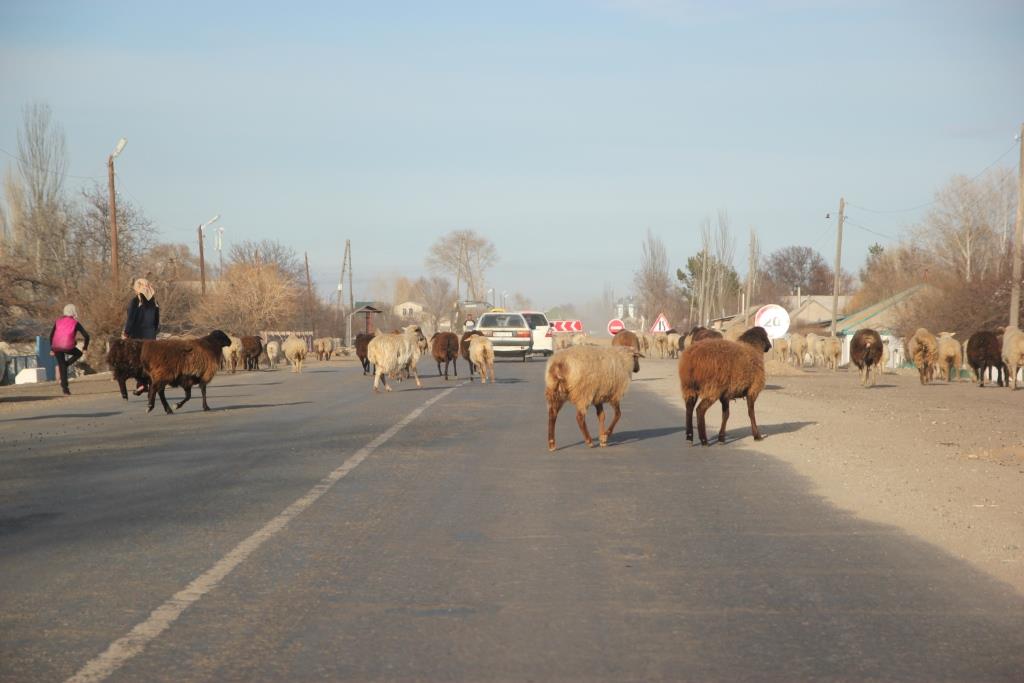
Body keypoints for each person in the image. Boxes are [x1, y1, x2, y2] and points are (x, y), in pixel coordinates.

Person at [123, 277, 160, 394]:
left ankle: (142, 384)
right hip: (151, 337)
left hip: (137, 336)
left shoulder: (135, 301)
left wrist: (126, 332)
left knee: (136, 361)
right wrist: (153, 331)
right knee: (149, 361)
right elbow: (156, 321)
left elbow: (130, 320)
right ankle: (149, 383)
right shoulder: (155, 302)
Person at [49, 304, 90, 395]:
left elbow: (51, 336)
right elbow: (86, 336)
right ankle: (66, 365)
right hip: (68, 346)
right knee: (78, 353)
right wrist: (85, 348)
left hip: (56, 347)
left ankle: (65, 389)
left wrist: (51, 348)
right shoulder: (75, 323)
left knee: (62, 365)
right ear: (73, 312)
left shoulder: (58, 321)